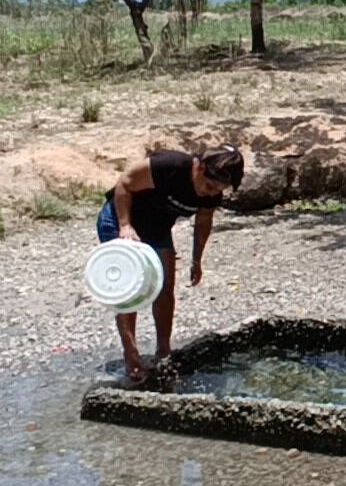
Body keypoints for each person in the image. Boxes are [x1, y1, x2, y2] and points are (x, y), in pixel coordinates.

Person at [97, 145, 244, 382]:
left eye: (218, 190)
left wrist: (196, 260)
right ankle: (131, 353)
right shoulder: (169, 166)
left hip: (157, 227)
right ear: (200, 168)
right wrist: (125, 226)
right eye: (209, 186)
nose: (211, 193)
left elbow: (203, 223)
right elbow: (124, 183)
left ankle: (163, 351)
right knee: (129, 289)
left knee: (164, 287)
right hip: (121, 218)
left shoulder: (212, 194)